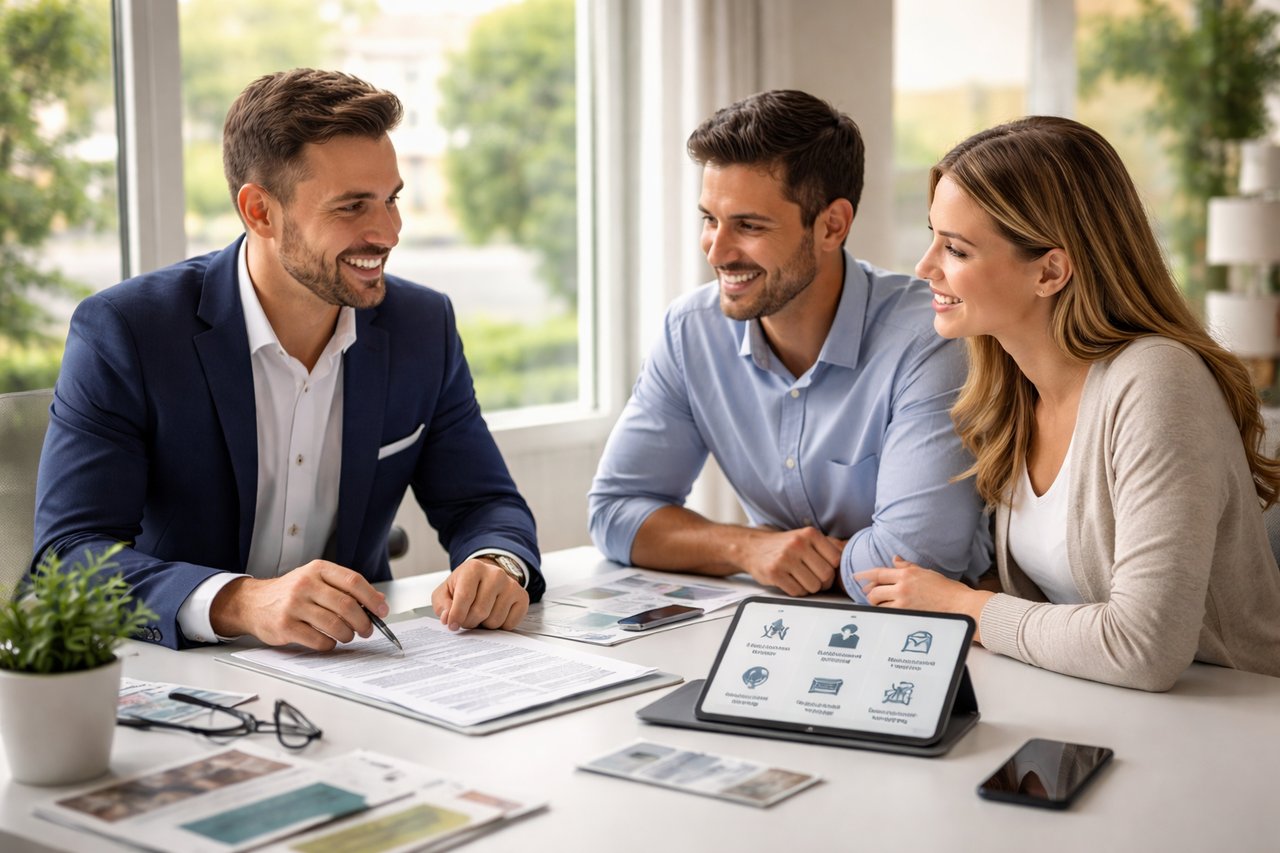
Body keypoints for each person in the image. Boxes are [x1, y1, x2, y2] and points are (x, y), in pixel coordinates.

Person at [33, 68, 543, 651]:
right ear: (260, 212)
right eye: (352, 207)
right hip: (183, 669)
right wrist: (242, 601)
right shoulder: (129, 331)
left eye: (391, 199)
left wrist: (497, 563)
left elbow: (482, 501)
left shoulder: (422, 327)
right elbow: (67, 557)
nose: (388, 232)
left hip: (360, 665)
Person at [855, 115, 1280, 690]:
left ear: (1051, 271)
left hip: (1233, 721)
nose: (925, 267)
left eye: (955, 249)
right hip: (1095, 708)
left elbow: (1144, 647)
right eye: (933, 238)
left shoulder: (1156, 382)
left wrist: (967, 608)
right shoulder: (1009, 392)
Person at [588, 89, 990, 601]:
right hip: (780, 625)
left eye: (749, 226)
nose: (717, 250)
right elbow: (616, 512)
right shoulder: (691, 331)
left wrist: (790, 558)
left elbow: (919, 563)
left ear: (832, 225)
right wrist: (747, 548)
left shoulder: (929, 339)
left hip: (943, 639)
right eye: (709, 219)